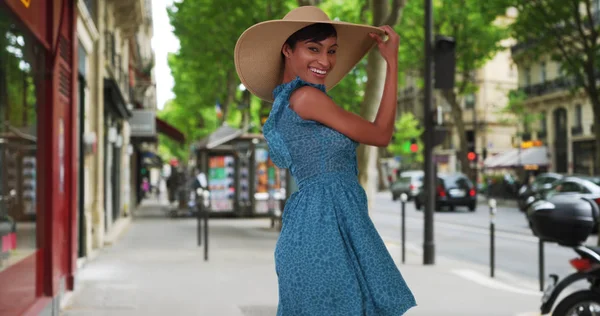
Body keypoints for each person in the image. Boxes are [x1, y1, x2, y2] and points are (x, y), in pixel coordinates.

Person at [235, 6, 415, 315]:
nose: (325, 61)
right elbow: (381, 134)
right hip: (324, 231)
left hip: (320, 225)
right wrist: (392, 62)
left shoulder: (287, 101)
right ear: (287, 49)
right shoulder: (307, 98)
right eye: (313, 49)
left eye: (332, 51)